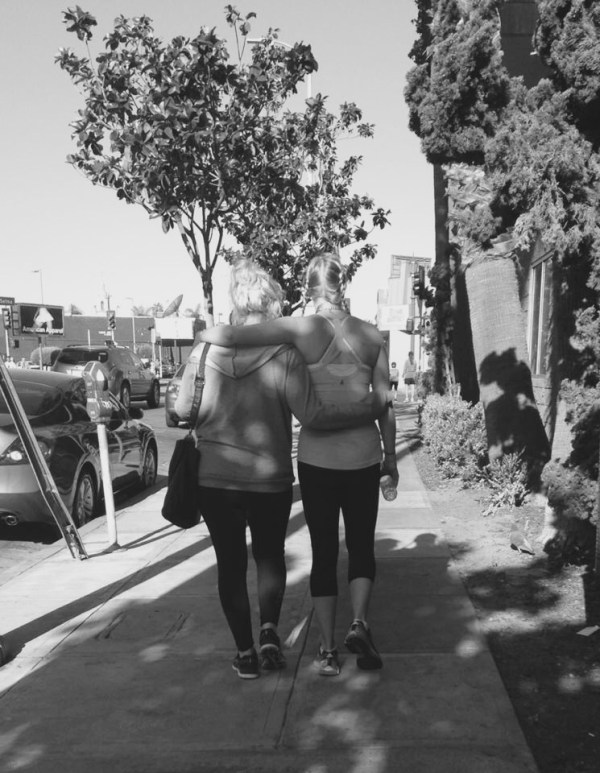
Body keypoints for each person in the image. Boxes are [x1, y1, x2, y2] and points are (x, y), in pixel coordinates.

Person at [175, 260, 385, 680]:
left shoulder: (205, 352)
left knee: (230, 565)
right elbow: (314, 414)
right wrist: (368, 411)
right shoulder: (286, 353)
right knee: (272, 556)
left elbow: (182, 410)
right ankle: (272, 632)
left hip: (215, 476)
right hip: (271, 475)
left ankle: (246, 653)